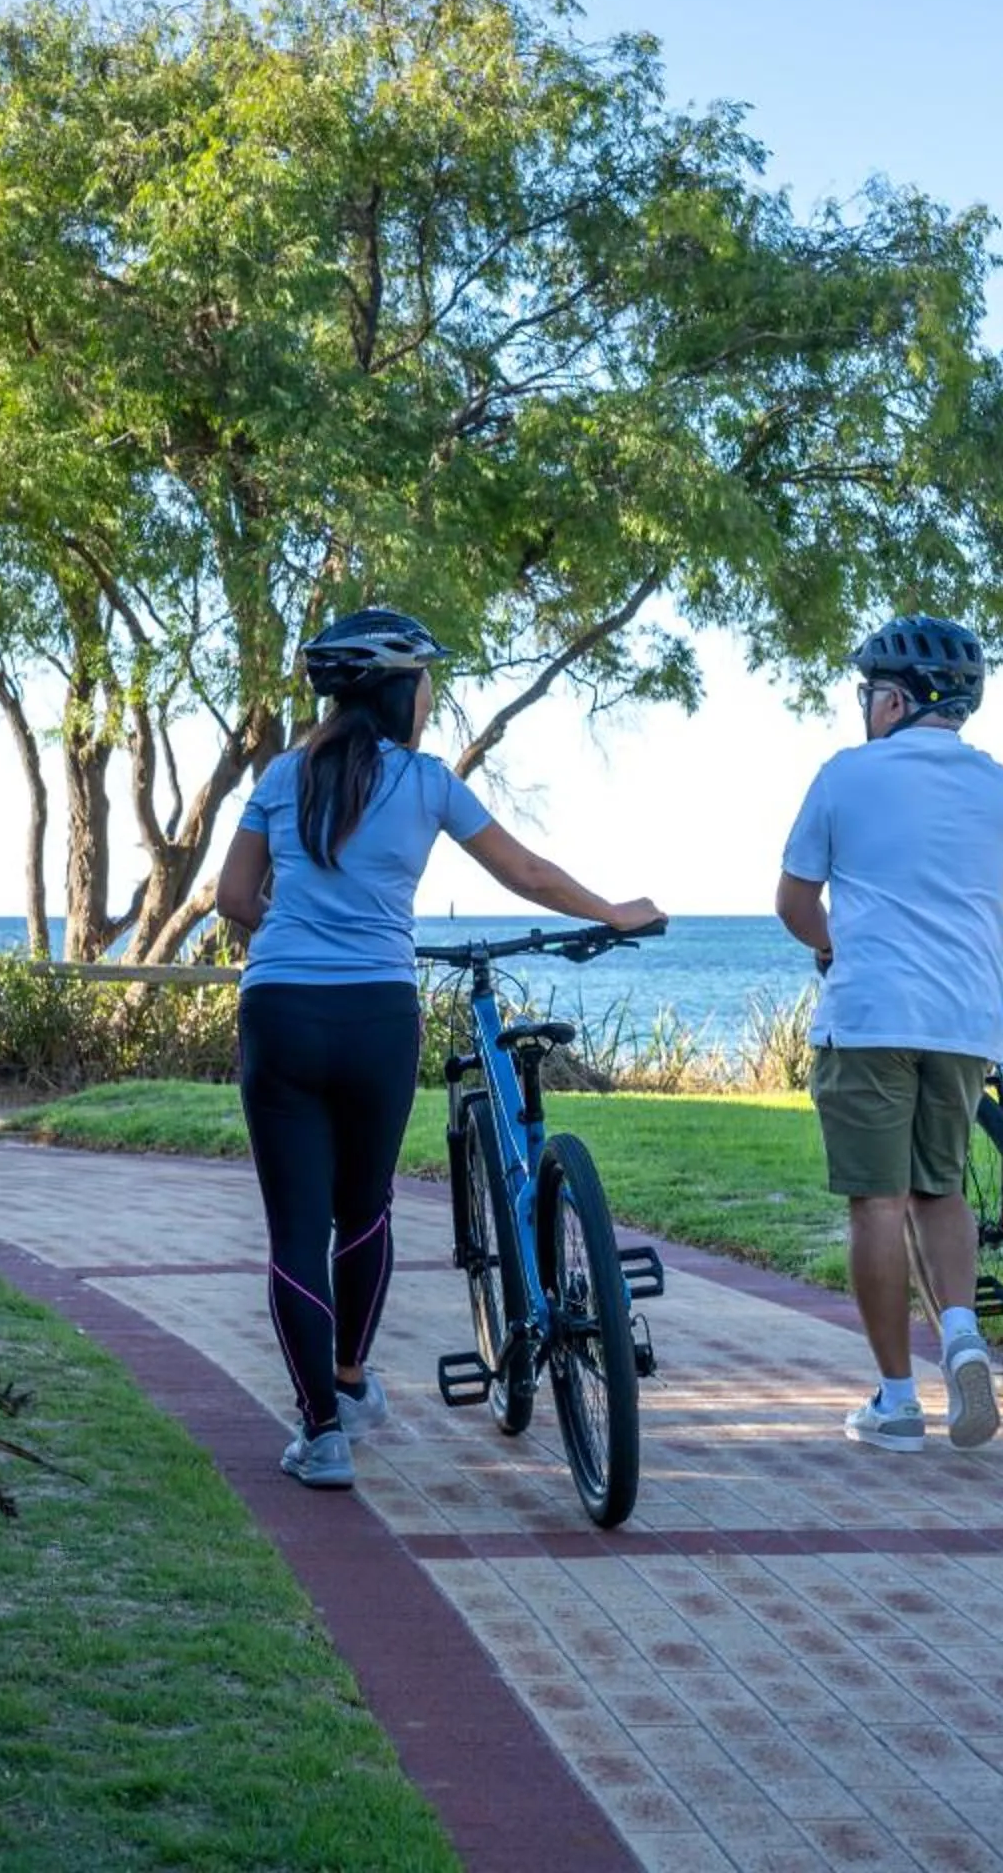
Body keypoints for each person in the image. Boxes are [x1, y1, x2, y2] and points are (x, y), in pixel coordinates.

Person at [216, 607, 660, 1491]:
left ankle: (322, 1435)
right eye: (425, 680)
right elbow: (526, 873)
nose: (430, 695)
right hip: (378, 1015)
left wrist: (300, 933)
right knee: (366, 1210)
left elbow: (233, 896)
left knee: (296, 1234)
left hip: (281, 1013)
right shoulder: (426, 784)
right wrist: (614, 911)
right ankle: (349, 1382)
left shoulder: (281, 777)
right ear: (397, 690)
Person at [774, 614, 1003, 1454]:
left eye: (869, 694)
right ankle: (964, 1340)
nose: (864, 708)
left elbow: (793, 905)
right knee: (938, 1188)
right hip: (962, 1024)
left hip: (868, 1018)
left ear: (894, 699)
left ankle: (897, 1401)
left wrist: (831, 946)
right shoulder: (997, 786)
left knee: (876, 1200)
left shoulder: (843, 777)